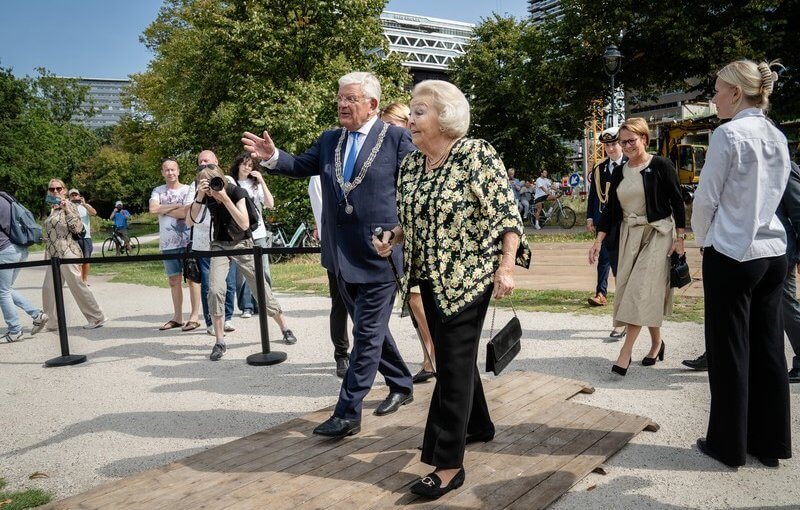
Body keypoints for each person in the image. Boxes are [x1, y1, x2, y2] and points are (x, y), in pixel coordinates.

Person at [373, 80, 531, 498]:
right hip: (428, 277)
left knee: (453, 364)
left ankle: (447, 463)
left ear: (445, 116)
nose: (410, 118)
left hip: (470, 277)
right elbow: (414, 220)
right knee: (450, 358)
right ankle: (478, 425)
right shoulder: (411, 165)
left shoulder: (475, 155)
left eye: (419, 110)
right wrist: (393, 237)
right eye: (410, 110)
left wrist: (507, 266)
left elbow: (506, 214)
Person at [243, 71, 415, 438]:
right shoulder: (330, 140)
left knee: (366, 336)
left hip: (379, 254)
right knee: (372, 330)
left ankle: (348, 412)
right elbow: (298, 165)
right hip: (339, 257)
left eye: (351, 98)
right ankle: (401, 382)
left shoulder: (397, 138)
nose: (342, 104)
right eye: (340, 97)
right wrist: (272, 157)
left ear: (372, 104)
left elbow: (416, 191)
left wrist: (401, 235)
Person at [692, 59, 791, 468]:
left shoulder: (727, 134)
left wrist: (703, 242)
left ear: (735, 92)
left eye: (717, 89)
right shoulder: (777, 135)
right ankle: (770, 444)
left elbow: (706, 199)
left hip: (733, 251)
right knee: (769, 348)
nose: (713, 97)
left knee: (728, 349)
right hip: (774, 251)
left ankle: (728, 445)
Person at [588, 117, 685, 376]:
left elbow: (677, 202)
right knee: (638, 290)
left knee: (640, 289)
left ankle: (625, 353)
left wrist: (680, 239)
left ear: (644, 138)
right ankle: (656, 344)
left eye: (631, 140)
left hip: (659, 232)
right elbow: (610, 209)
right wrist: (598, 240)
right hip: (630, 235)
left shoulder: (661, 165)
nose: (627, 146)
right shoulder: (620, 171)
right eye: (623, 142)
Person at [186, 164, 296, 361]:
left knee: (260, 289)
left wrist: (225, 198)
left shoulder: (236, 191)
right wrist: (199, 197)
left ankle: (284, 327)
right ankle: (219, 340)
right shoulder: (205, 196)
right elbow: (189, 221)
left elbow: (244, 223)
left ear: (221, 178)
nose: (211, 187)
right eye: (205, 183)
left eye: (213, 181)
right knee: (215, 289)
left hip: (243, 243)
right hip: (219, 244)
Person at [380, 102, 436, 383]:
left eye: (391, 123)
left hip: (415, 238)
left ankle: (433, 356)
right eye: (384, 123)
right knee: (414, 300)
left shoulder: (413, 153)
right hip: (399, 233)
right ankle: (430, 356)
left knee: (416, 298)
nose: (386, 129)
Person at [42, 179, 107, 330]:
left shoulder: (69, 205)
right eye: (52, 189)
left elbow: (78, 229)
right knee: (48, 288)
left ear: (64, 190)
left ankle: (97, 317)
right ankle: (52, 322)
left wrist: (68, 210)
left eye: (58, 188)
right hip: (53, 254)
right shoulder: (52, 208)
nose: (55, 191)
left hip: (68, 252)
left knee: (77, 285)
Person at [149, 158, 201, 331]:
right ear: (162, 172)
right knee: (174, 280)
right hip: (168, 242)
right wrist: (177, 207)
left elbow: (187, 211)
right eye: (166, 170)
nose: (170, 173)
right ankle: (177, 317)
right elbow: (153, 210)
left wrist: (166, 208)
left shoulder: (188, 189)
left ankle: (194, 316)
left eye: (173, 169)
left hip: (188, 241)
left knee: (193, 279)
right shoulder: (158, 190)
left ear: (178, 171)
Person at [189, 150, 237, 336]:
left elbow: (236, 203)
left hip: (226, 240)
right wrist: (199, 195)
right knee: (209, 285)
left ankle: (228, 318)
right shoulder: (194, 186)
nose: (203, 164)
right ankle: (210, 321)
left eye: (207, 161)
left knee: (229, 282)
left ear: (216, 162)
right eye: (200, 161)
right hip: (203, 242)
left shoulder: (228, 181)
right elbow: (189, 218)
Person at [586, 128, 627, 339]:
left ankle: (626, 318)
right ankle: (601, 293)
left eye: (614, 144)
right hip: (605, 223)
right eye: (607, 146)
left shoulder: (630, 166)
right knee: (603, 260)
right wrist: (590, 217)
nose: (611, 149)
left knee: (623, 271)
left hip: (626, 224)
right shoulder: (600, 168)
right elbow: (594, 195)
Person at [309, 172, 351, 378]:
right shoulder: (319, 176)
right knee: (340, 302)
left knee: (367, 304)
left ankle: (367, 352)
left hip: (362, 241)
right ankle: (341, 354)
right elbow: (320, 211)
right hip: (335, 244)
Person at [228, 152, 275, 319]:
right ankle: (246, 306)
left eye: (250, 165)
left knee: (263, 270)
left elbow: (270, 204)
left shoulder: (255, 185)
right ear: (238, 165)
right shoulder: (231, 182)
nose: (247, 167)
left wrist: (261, 180)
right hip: (241, 233)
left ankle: (265, 304)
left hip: (259, 231)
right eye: (244, 164)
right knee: (243, 271)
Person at [0, 190, 48, 342]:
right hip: (19, 248)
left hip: (5, 250)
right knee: (5, 289)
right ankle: (37, 314)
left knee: (3, 292)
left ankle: (15, 330)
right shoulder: (6, 197)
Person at [68, 188, 96, 284]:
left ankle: (85, 279)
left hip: (86, 237)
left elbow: (94, 213)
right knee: (77, 260)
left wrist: (84, 204)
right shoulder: (67, 207)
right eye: (72, 195)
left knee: (86, 259)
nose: (74, 197)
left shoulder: (85, 206)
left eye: (76, 195)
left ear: (79, 196)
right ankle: (79, 281)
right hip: (73, 237)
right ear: (69, 197)